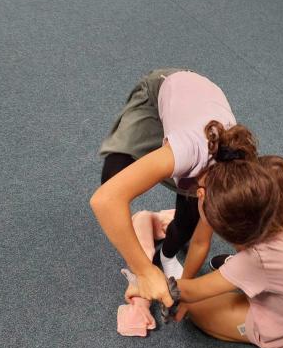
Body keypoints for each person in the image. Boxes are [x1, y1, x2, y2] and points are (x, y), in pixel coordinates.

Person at [126, 155, 283, 348]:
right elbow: (203, 244)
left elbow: (191, 291)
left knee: (195, 310)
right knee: (242, 275)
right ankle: (254, 284)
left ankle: (279, 344)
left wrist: (146, 282)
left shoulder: (255, 260)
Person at [90, 69, 263, 307]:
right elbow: (104, 200)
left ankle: (167, 255)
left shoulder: (243, 175)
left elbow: (202, 241)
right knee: (114, 180)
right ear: (201, 194)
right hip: (162, 91)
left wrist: (185, 287)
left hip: (200, 106)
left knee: (189, 219)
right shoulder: (189, 150)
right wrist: (144, 271)